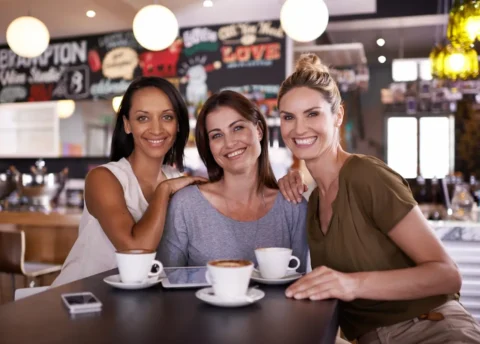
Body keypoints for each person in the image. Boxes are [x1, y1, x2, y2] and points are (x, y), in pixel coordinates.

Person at [276, 54, 480, 343]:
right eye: (288, 117)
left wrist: (350, 284)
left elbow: (447, 275)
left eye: (312, 114)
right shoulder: (313, 202)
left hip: (430, 329)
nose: (298, 129)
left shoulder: (366, 176)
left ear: (338, 116)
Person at [52, 77, 206, 287]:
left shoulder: (175, 180)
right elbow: (135, 251)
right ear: (127, 125)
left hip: (134, 304)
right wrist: (163, 190)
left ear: (178, 124)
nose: (156, 129)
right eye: (143, 118)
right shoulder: (103, 178)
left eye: (167, 117)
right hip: (80, 300)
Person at [157, 91, 308, 270]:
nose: (229, 143)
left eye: (237, 128)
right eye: (217, 135)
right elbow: (166, 282)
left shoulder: (293, 205)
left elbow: (298, 284)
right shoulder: (186, 205)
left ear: (258, 130)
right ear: (209, 146)